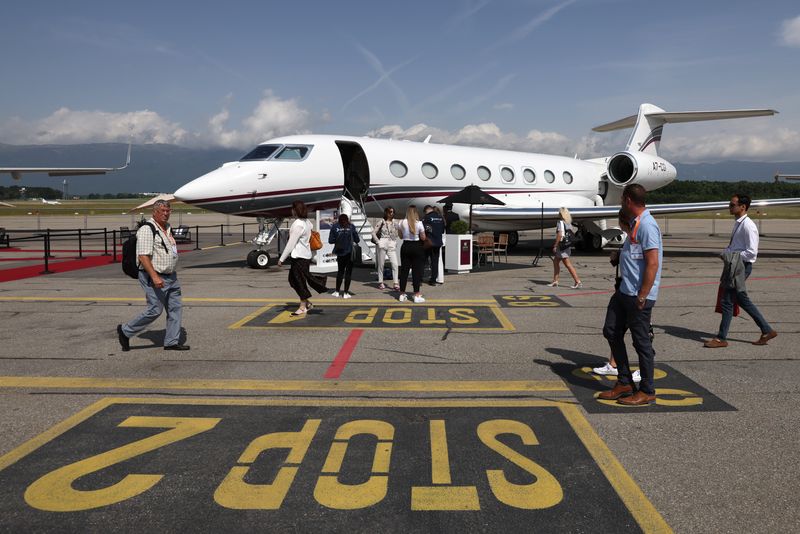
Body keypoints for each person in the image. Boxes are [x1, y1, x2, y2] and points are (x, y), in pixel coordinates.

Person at [599, 184, 662, 405]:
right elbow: (637, 256)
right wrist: (620, 256)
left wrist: (643, 296)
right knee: (611, 330)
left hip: (638, 295)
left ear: (627, 200)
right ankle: (624, 381)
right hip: (624, 291)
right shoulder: (635, 225)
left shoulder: (647, 225)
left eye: (621, 200)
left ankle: (647, 390)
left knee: (641, 342)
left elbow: (652, 263)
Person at [704, 194, 777, 348]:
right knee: (741, 300)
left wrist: (731, 256)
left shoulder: (748, 226)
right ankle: (767, 330)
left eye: (732, 205)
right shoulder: (739, 223)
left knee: (727, 301)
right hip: (735, 265)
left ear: (743, 207)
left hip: (741, 267)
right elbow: (736, 246)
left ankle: (721, 338)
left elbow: (751, 253)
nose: (729, 207)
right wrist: (726, 252)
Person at [117, 199, 188, 351]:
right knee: (155, 309)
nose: (165, 214)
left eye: (168, 211)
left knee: (175, 309)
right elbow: (143, 256)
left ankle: (171, 342)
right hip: (154, 276)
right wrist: (155, 276)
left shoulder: (167, 228)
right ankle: (125, 331)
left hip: (171, 276)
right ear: (154, 212)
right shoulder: (147, 229)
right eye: (162, 211)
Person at [593, 210, 645, 383]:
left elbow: (647, 263)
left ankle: (644, 370)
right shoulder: (626, 238)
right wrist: (616, 254)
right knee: (615, 329)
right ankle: (614, 364)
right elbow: (620, 261)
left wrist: (643, 294)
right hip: (622, 288)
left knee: (641, 333)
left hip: (635, 291)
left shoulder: (640, 235)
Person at [277, 200, 328, 315]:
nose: (291, 210)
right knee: (293, 280)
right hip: (304, 256)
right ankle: (307, 302)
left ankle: (303, 306)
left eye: (292, 208)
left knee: (299, 282)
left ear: (295, 210)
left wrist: (282, 258)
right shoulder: (306, 222)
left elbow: (291, 243)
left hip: (299, 257)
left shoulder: (298, 224)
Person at [397, 205, 427, 303]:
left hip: (405, 246)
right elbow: (423, 238)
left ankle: (402, 294)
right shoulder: (419, 223)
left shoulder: (401, 222)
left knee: (404, 271)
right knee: (416, 271)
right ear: (415, 213)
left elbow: (401, 236)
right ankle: (416, 294)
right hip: (416, 247)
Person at [548, 207, 582, 289]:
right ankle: (555, 280)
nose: (558, 214)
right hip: (567, 245)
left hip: (562, 246)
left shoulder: (560, 222)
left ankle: (577, 281)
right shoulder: (568, 222)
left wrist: (555, 245)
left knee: (567, 264)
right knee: (556, 261)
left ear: (561, 214)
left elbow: (560, 234)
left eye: (559, 213)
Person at [328, 213, 360, 298]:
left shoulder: (335, 227)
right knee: (348, 273)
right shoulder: (351, 226)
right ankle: (346, 293)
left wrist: (338, 240)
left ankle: (337, 291)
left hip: (340, 252)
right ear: (347, 219)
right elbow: (357, 239)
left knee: (340, 272)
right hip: (349, 252)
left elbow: (330, 240)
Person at [372, 206, 401, 291]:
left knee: (395, 264)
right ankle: (380, 282)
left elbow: (400, 230)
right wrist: (378, 242)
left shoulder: (395, 222)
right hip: (383, 242)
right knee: (381, 264)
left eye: (392, 212)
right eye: (390, 212)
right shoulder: (381, 221)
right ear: (386, 213)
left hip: (391, 243)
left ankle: (396, 282)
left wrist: (395, 241)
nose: (391, 213)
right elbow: (373, 232)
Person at [422, 205, 445, 286]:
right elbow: (442, 230)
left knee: (423, 261)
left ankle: (419, 278)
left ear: (426, 211)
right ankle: (433, 280)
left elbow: (423, 230)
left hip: (429, 243)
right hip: (438, 242)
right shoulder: (440, 217)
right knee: (435, 262)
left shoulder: (426, 217)